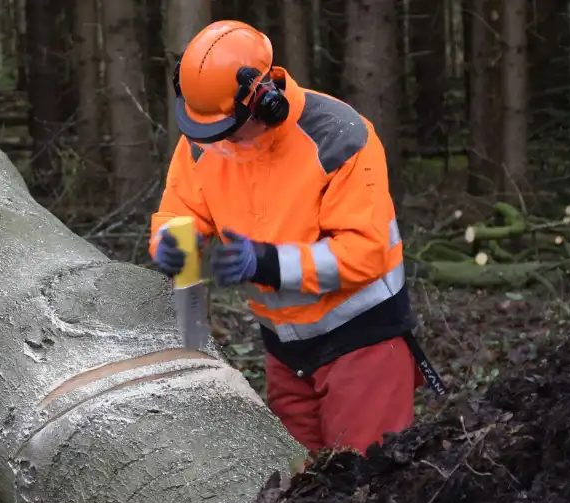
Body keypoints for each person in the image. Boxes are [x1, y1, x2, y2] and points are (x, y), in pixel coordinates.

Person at [150, 20, 440, 455]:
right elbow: (182, 210)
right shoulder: (205, 139)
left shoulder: (339, 137)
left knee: (365, 484)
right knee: (297, 489)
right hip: (286, 353)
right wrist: (172, 243)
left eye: (228, 132)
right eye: (209, 135)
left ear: (265, 102)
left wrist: (267, 264)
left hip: (362, 345)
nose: (218, 146)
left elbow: (365, 252)